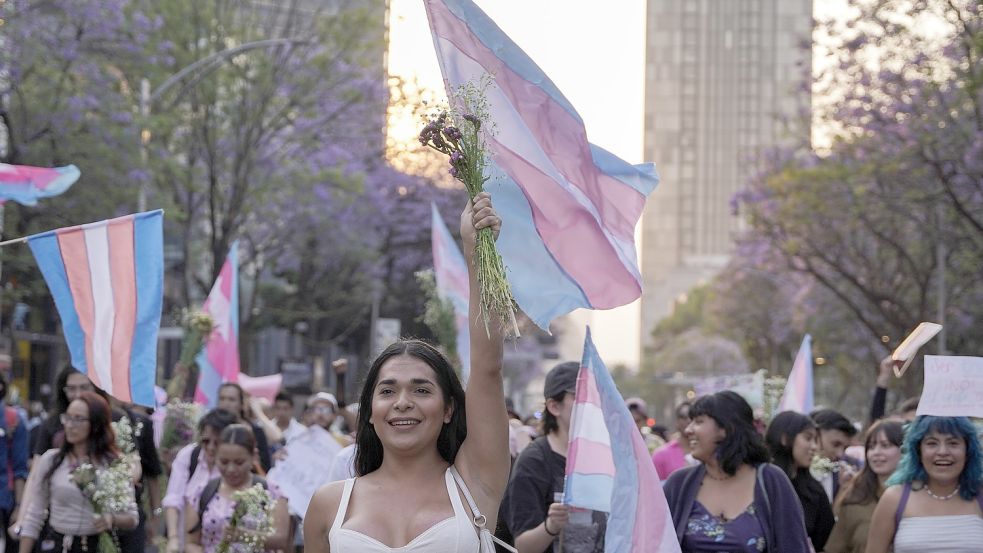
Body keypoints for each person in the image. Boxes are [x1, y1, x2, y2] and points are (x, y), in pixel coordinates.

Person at [304, 192, 511, 553]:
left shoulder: (476, 482)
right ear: (368, 411)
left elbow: (488, 368)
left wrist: (476, 254)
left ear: (448, 409)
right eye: (387, 391)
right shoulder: (328, 505)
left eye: (421, 390)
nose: (402, 403)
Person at [663, 391, 811, 553]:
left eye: (698, 422)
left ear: (727, 428)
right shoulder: (679, 484)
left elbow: (794, 546)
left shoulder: (771, 480)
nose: (688, 430)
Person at [499, 361, 606, 553]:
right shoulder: (534, 462)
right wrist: (551, 526)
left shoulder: (605, 458)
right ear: (554, 406)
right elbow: (523, 546)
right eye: (580, 396)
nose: (590, 403)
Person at [17, 392, 138, 553]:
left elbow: (132, 518)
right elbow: (35, 514)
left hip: (94, 544)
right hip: (57, 544)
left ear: (96, 424)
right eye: (67, 417)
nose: (70, 425)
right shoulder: (52, 460)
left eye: (78, 419)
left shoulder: (113, 464)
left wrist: (111, 519)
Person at [866, 415, 983, 553]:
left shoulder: (980, 495)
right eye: (932, 443)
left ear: (968, 452)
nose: (942, 452)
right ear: (918, 451)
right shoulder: (894, 498)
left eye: (953, 443)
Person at [186, 424, 290, 553]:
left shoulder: (270, 491)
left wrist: (242, 535)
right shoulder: (203, 492)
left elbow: (280, 539)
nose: (231, 469)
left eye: (239, 462)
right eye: (224, 462)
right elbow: (191, 542)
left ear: (253, 456)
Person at [164, 408, 239, 553]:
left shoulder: (233, 469)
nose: (210, 447)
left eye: (217, 443)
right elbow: (174, 498)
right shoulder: (189, 455)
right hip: (183, 543)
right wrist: (173, 538)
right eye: (206, 441)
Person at [824, 419, 903, 553]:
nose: (876, 452)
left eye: (885, 445)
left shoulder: (919, 498)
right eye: (871, 447)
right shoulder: (855, 499)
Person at [765, 411, 834, 552]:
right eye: (808, 438)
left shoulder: (814, 491)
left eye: (816, 440)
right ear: (785, 438)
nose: (814, 447)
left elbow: (826, 541)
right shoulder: (759, 483)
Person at [217, 383, 273, 472]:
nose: (226, 404)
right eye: (222, 399)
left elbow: (265, 467)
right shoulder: (212, 429)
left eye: (231, 399)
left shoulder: (255, 431)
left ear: (241, 404)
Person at [810, 408, 860, 502]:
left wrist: (843, 489)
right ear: (815, 435)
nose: (840, 454)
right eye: (835, 444)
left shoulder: (842, 475)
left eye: (845, 448)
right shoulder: (792, 472)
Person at [652, 401, 695, 480]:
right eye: (683, 417)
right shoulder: (661, 454)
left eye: (692, 416)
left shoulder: (709, 454)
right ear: (677, 421)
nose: (688, 420)